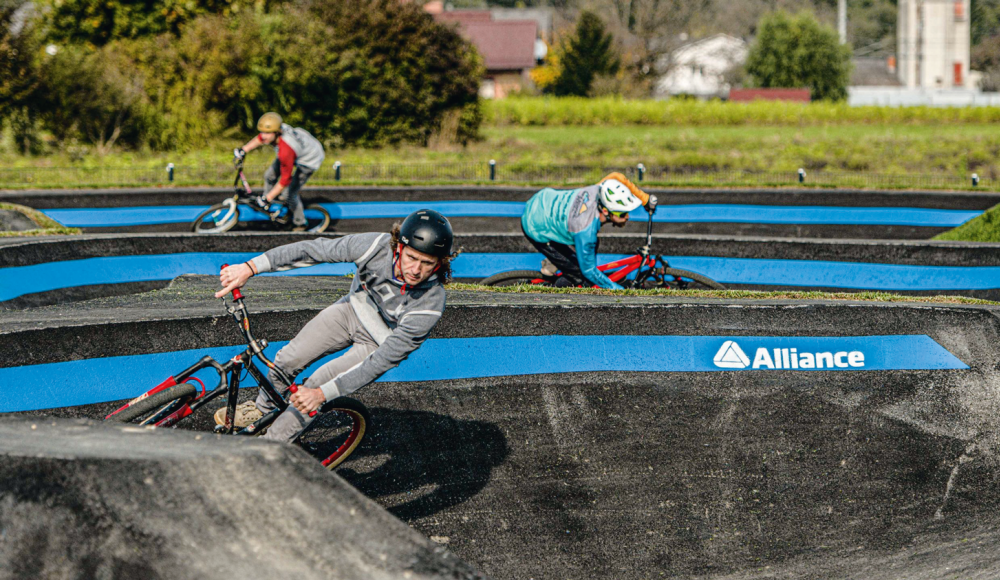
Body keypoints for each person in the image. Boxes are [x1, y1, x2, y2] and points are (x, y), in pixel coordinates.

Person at [213, 209, 457, 441]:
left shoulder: (431, 302)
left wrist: (321, 395)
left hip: (379, 342)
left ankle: (269, 449)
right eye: (411, 258)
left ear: (439, 263)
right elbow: (314, 250)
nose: (415, 270)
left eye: (427, 263)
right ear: (399, 247)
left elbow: (383, 360)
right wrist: (250, 267)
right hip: (350, 311)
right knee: (288, 358)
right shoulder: (374, 247)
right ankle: (261, 409)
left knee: (314, 388)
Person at [520, 172, 657, 289]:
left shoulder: (599, 190)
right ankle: (559, 291)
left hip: (543, 200)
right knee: (579, 275)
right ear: (605, 210)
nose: (627, 217)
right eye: (622, 214)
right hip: (535, 226)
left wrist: (644, 198)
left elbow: (616, 177)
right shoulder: (586, 230)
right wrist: (617, 290)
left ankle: (557, 262)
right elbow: (589, 271)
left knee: (590, 248)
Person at [234, 112, 326, 232]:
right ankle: (269, 203)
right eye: (262, 132)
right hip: (299, 148)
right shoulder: (276, 131)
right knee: (269, 176)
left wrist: (268, 198)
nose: (263, 136)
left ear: (277, 132)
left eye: (267, 133)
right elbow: (260, 138)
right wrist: (244, 149)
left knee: (290, 194)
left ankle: (301, 223)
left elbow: (285, 179)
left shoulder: (285, 150)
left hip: (309, 159)